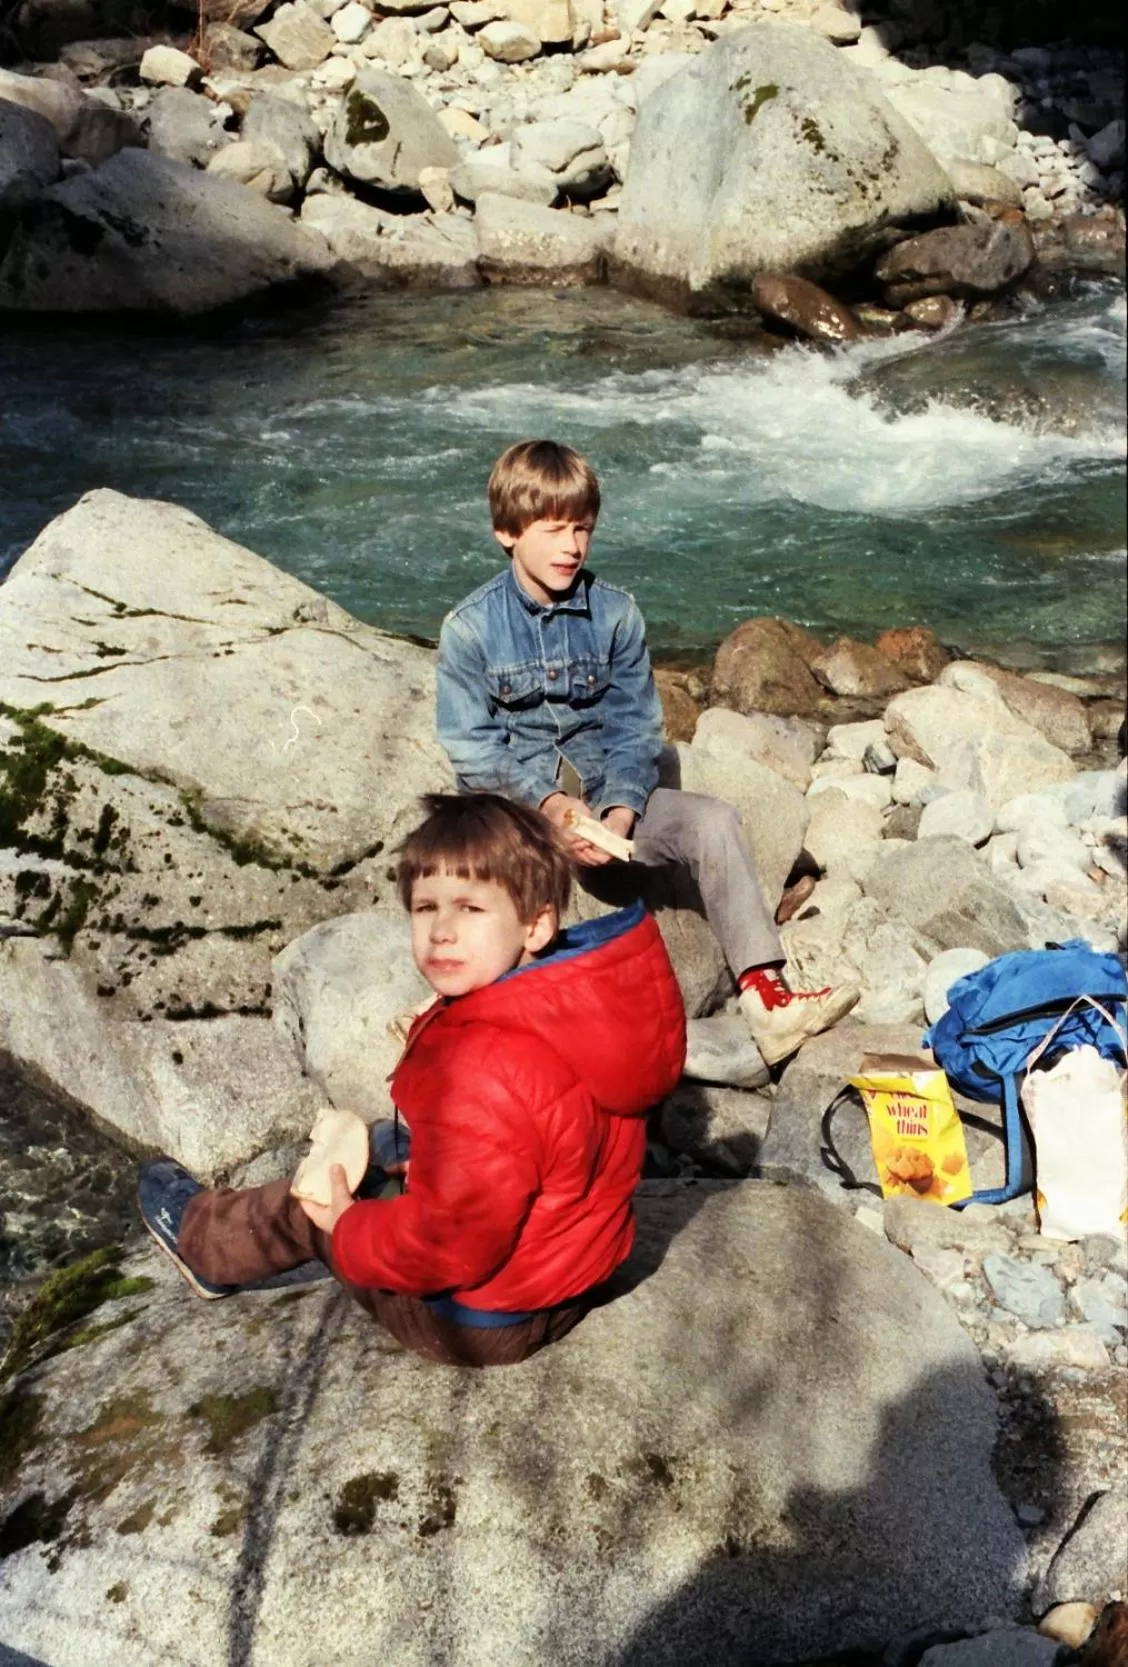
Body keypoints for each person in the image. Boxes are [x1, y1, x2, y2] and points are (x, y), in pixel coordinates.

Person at [138, 791, 686, 1368]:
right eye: (426, 908)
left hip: (482, 1320)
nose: (442, 931)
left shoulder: (479, 1066)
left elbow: (448, 1248)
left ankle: (203, 1241)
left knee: (313, 1202)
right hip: (574, 1273)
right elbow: (548, 1141)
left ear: (535, 925)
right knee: (385, 1145)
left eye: (470, 909)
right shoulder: (586, 1003)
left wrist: (345, 1224)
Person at [435, 438, 859, 1068]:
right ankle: (449, 1016)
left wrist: (620, 813)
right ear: (506, 531)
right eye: (553, 530)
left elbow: (637, 729)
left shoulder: (616, 614)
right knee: (477, 854)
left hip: (613, 809)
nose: (571, 547)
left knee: (712, 820)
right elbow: (473, 748)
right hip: (527, 818)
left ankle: (766, 996)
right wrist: (550, 808)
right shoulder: (468, 628)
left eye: (583, 529)